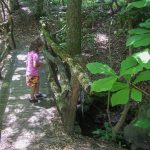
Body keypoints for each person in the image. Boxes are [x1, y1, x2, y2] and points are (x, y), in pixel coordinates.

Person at [26, 36, 45, 103]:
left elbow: (28, 62)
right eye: (41, 47)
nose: (42, 48)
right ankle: (32, 98)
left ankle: (37, 94)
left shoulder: (30, 52)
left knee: (37, 82)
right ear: (38, 47)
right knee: (33, 85)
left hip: (30, 71)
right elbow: (35, 65)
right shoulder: (35, 55)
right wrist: (41, 63)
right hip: (32, 73)